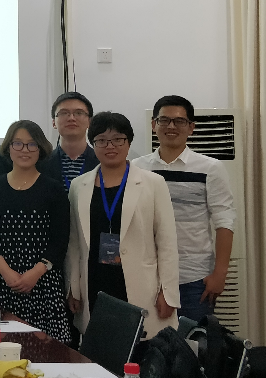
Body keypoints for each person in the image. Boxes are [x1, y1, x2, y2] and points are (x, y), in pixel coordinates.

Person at [65, 111, 180, 340]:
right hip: (95, 280)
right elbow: (74, 243)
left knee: (139, 347)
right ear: (93, 144)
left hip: (138, 282)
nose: (110, 146)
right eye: (101, 140)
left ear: (128, 142)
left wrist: (168, 293)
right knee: (100, 348)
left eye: (118, 139)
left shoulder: (153, 183)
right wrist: (73, 288)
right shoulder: (79, 185)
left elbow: (167, 242)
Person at [133, 95, 235, 323]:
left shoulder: (211, 168)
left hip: (194, 278)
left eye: (179, 121)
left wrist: (220, 274)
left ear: (191, 128)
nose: (171, 126)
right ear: (153, 125)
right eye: (164, 120)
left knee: (193, 341)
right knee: (149, 341)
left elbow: (224, 221)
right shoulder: (137, 168)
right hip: (148, 275)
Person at [0, 120, 72, 343]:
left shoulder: (54, 189)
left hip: (43, 283)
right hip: (1, 281)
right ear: (9, 147)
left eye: (32, 144)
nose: (25, 150)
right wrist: (7, 273)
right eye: (18, 143)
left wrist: (35, 273)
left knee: (46, 352)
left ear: (40, 149)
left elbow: (60, 239)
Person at [39, 91, 98, 191]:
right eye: (64, 113)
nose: (71, 118)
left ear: (89, 121)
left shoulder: (101, 162)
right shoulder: (41, 164)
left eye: (79, 113)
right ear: (54, 123)